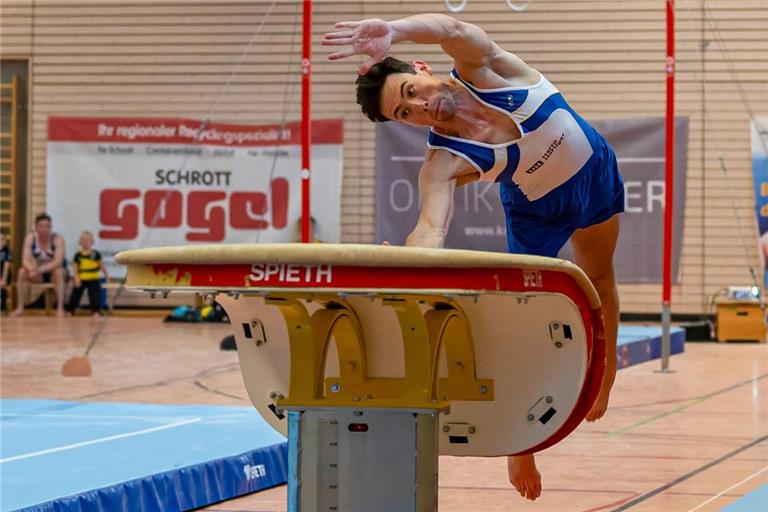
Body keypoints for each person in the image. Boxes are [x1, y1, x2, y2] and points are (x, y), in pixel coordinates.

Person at [324, 13, 623, 501]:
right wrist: (402, 265)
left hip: (594, 168)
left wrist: (393, 31)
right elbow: (430, 229)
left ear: (422, 68)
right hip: (537, 211)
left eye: (410, 91)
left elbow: (451, 29)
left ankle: (606, 374)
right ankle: (521, 442)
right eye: (406, 114)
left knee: (602, 281)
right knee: (528, 321)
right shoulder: (441, 162)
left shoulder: (485, 69)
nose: (420, 107)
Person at [13, 213, 67, 317]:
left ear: (51, 227)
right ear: (36, 227)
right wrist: (31, 268)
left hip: (53, 273)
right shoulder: (30, 238)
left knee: (58, 271)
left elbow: (58, 262)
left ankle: (60, 308)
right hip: (38, 274)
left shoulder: (57, 239)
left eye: (47, 226)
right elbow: (25, 259)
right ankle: (20, 307)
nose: (45, 229)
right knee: (22, 272)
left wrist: (40, 269)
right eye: (41, 226)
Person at [66, 230, 109, 316]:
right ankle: (70, 310)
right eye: (83, 240)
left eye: (87, 240)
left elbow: (101, 266)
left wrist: (107, 276)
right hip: (81, 278)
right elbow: (75, 268)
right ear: (80, 242)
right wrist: (76, 278)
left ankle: (96, 311)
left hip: (93, 278)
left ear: (92, 242)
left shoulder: (95, 254)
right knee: (75, 295)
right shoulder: (78, 255)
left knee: (94, 296)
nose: (85, 242)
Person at [0, 232, 11, 313]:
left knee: (3, 286)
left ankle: (3, 308)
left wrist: (3, 279)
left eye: (3, 240)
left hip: (5, 273)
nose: (1, 242)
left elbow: (7, 265)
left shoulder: (7, 250)